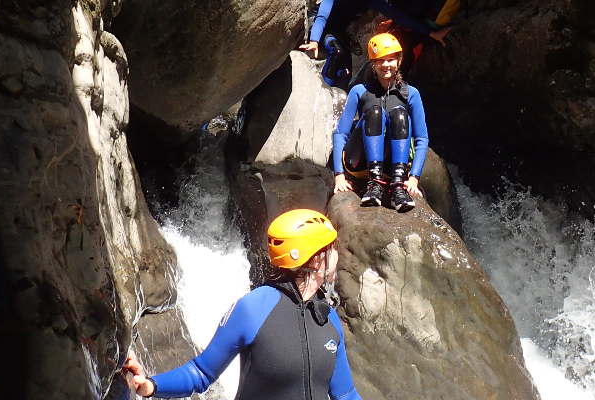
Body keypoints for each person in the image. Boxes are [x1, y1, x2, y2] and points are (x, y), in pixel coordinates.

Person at [123, 209, 361, 400]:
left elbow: (345, 393)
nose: (337, 255)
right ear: (316, 258)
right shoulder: (254, 308)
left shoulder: (327, 317)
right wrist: (151, 385)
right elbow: (201, 373)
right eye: (332, 248)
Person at [331, 33, 428, 212]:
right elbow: (340, 134)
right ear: (373, 64)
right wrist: (339, 175)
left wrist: (414, 177)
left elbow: (422, 138)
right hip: (359, 162)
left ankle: (398, 185)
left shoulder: (411, 93)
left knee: (400, 114)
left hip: (392, 166)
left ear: (399, 61)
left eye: (391, 59)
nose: (386, 65)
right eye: (380, 60)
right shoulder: (359, 91)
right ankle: (374, 183)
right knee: (375, 112)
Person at [299, 0, 451, 90]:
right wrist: (314, 40)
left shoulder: (372, 0)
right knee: (338, 53)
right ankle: (319, 92)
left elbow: (399, 16)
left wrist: (431, 33)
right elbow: (322, 16)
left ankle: (337, 99)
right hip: (320, 27)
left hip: (338, 32)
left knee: (346, 72)